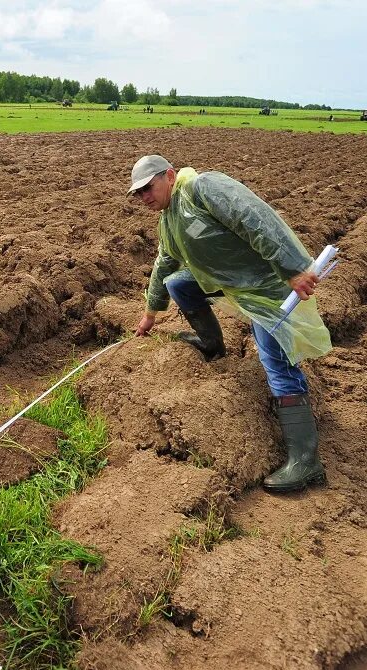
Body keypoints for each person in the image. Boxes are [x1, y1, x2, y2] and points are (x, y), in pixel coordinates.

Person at [129, 155, 331, 494]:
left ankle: (306, 461)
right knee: (177, 282)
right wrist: (151, 313)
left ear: (169, 176)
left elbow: (256, 219)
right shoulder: (169, 219)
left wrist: (294, 268)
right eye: (138, 193)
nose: (144, 197)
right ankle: (211, 344)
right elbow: (165, 263)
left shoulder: (202, 188)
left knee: (275, 361)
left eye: (148, 188)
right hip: (234, 282)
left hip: (267, 283)